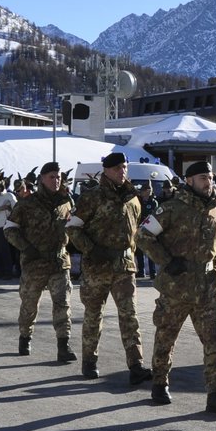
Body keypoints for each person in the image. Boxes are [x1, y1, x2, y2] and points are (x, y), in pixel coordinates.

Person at [138, 160, 216, 412]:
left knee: (214, 340)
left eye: (210, 177)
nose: (208, 181)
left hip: (207, 289)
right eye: (202, 177)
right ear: (189, 180)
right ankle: (159, 383)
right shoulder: (171, 209)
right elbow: (143, 236)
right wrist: (167, 261)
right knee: (166, 337)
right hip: (176, 287)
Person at [68, 152, 149, 383]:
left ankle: (136, 365)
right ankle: (89, 361)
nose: (122, 171)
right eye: (116, 168)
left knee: (129, 316)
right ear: (106, 170)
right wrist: (92, 250)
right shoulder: (92, 197)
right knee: (94, 315)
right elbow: (73, 228)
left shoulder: (133, 198)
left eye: (124, 167)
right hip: (97, 268)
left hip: (124, 267)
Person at [5, 163, 76, 362]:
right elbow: (9, 229)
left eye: (59, 177)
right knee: (29, 304)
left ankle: (64, 344)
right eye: (52, 177)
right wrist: (26, 248)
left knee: (62, 304)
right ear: (42, 179)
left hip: (59, 262)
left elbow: (74, 227)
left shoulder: (66, 203)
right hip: (34, 263)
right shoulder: (27, 203)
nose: (56, 180)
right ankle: (25, 336)